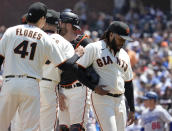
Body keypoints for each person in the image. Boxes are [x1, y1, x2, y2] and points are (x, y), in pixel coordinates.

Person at [0, 2, 91, 131]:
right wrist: (77, 55)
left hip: (9, 83)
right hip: (34, 86)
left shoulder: (11, 31)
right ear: (43, 19)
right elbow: (66, 66)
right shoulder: (46, 38)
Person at [76, 21, 135, 131]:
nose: (122, 42)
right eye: (120, 39)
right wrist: (93, 87)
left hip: (121, 100)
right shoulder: (94, 47)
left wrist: (132, 109)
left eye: (124, 40)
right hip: (103, 99)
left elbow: (129, 83)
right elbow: (78, 70)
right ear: (111, 34)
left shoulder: (124, 54)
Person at [58, 11, 94, 131]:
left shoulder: (84, 42)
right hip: (61, 90)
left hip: (78, 88)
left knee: (76, 128)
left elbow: (96, 62)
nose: (58, 25)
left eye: (61, 22)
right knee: (63, 129)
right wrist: (58, 92)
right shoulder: (55, 42)